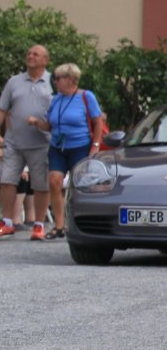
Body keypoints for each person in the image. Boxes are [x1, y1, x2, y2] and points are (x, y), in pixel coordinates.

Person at [0, 44, 53, 239]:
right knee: (6, 180)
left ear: (45, 60)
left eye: (35, 54)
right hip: (13, 142)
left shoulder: (53, 82)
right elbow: (1, 110)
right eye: (28, 53)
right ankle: (7, 222)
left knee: (41, 185)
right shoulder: (14, 82)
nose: (30, 56)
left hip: (41, 143)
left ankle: (38, 225)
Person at [42, 62, 105, 239]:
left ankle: (81, 223)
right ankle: (59, 225)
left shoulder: (86, 96)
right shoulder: (56, 99)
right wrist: (35, 123)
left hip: (80, 146)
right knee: (54, 181)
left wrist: (95, 145)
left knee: (79, 185)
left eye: (58, 78)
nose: (55, 82)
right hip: (58, 147)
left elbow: (98, 122)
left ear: (70, 80)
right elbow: (49, 124)